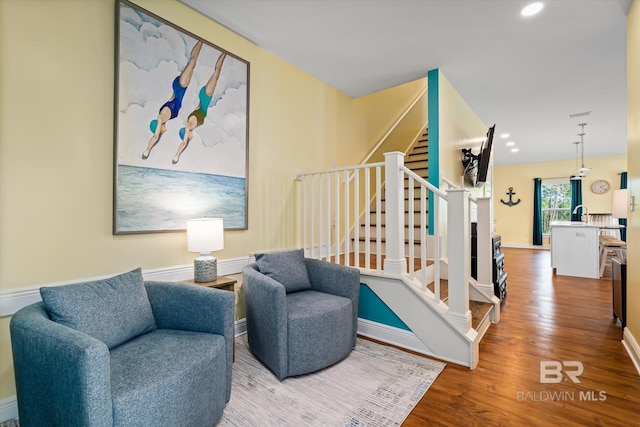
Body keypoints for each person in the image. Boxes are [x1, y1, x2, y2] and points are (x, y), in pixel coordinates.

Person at [142, 41, 203, 160]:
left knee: (192, 60)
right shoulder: (167, 116)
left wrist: (147, 151)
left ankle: (201, 40)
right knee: (193, 63)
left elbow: (155, 137)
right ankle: (201, 42)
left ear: (158, 127)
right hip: (182, 87)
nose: (163, 131)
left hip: (180, 85)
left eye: (161, 131)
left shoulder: (161, 117)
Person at [171, 52, 226, 164]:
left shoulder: (189, 126)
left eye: (188, 137)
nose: (191, 137)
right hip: (205, 97)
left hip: (206, 96)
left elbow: (183, 143)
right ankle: (224, 54)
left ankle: (224, 53)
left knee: (216, 72)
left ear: (186, 134)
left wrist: (176, 156)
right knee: (216, 73)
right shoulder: (191, 123)